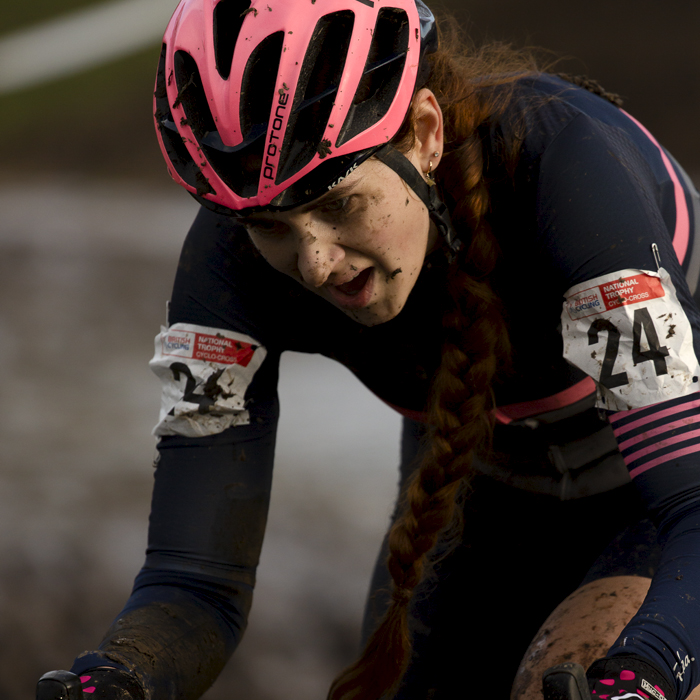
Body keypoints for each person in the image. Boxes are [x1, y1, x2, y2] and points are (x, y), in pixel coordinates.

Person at [36, 0, 700, 699]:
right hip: (488, 484)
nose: (317, 262)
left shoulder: (564, 171)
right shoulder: (230, 261)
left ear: (423, 132)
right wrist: (117, 679)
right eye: (273, 227)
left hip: (669, 491)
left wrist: (646, 671)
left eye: (338, 202)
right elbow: (195, 582)